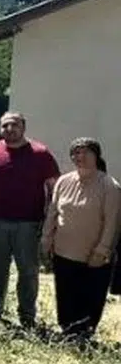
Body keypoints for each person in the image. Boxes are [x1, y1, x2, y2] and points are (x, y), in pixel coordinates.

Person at [0, 112, 60, 328]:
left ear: (23, 127)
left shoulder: (41, 153)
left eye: (14, 125)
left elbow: (55, 188)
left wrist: (50, 220)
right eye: (5, 125)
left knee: (28, 271)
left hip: (29, 224)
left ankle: (27, 316)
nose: (9, 129)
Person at [42, 138, 120, 341]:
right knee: (65, 294)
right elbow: (53, 213)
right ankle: (67, 331)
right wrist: (46, 239)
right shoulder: (63, 181)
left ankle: (84, 333)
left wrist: (102, 250)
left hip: (93, 256)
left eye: (86, 152)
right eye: (76, 153)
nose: (80, 156)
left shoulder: (109, 185)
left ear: (96, 155)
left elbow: (112, 222)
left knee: (91, 296)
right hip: (63, 252)